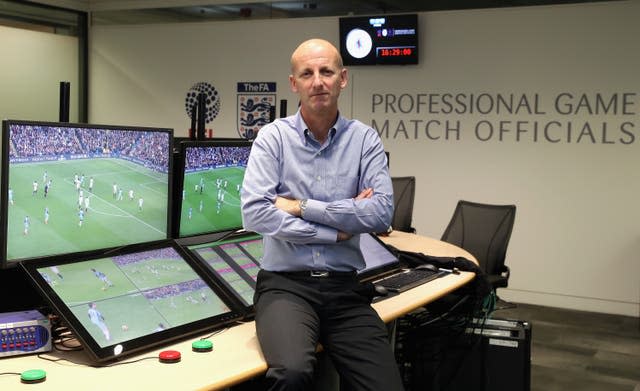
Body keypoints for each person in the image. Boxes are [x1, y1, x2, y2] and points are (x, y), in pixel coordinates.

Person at [240, 38, 400, 390]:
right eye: (307, 73)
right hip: (286, 288)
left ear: (342, 79)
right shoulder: (272, 139)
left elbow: (381, 212)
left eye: (326, 71)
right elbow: (254, 213)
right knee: (292, 373)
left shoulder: (365, 141)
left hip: (344, 289)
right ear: (294, 83)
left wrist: (300, 206)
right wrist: (336, 229)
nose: (318, 81)